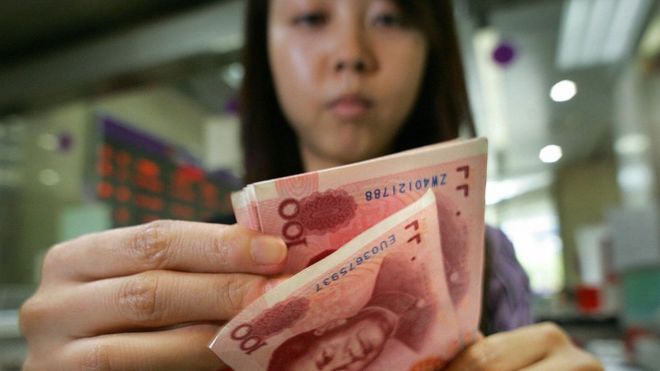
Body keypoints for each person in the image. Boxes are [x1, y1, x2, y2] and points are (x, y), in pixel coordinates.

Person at [19, 0, 603, 370]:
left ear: (434, 48)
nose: (351, 54)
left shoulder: (490, 262)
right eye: (311, 17)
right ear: (264, 48)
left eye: (391, 16)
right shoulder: (185, 281)